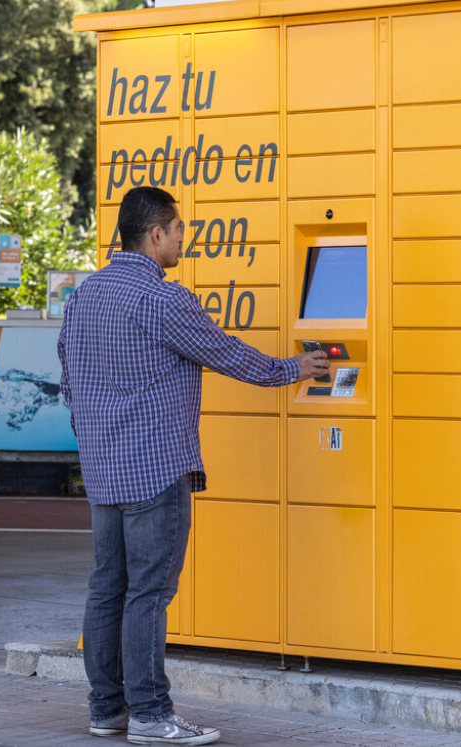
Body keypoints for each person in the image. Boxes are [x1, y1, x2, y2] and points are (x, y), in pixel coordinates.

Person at [57, 186, 329, 745]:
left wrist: (95, 442)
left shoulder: (85, 296)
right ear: (155, 234)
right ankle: (153, 716)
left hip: (104, 471)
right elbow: (226, 353)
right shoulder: (163, 300)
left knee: (108, 586)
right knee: (149, 593)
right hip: (155, 470)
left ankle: (107, 710)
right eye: (178, 230)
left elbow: (68, 379)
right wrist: (293, 368)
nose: (184, 238)